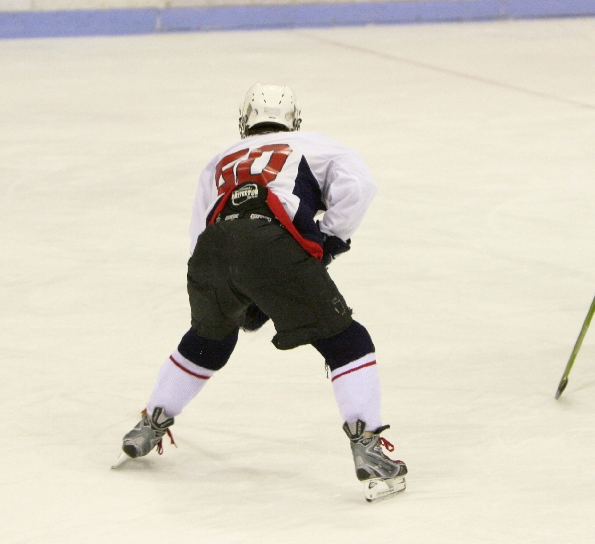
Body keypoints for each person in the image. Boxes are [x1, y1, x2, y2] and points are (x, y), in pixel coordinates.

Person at [112, 84, 407, 502]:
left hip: (211, 252)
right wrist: (328, 239)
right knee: (346, 340)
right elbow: (358, 187)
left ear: (244, 121)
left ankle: (150, 423)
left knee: (209, 340)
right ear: (294, 120)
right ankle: (369, 449)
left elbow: (200, 229)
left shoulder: (220, 158)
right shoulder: (315, 144)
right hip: (269, 244)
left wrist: (236, 286)